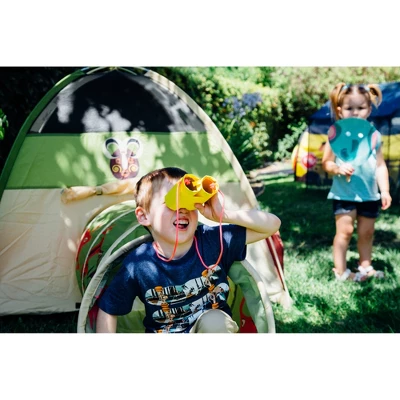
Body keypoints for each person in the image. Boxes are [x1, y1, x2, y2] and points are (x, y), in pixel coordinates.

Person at [96, 167, 281, 333]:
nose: (183, 209)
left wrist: (224, 215)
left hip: (210, 332)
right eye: (172, 202)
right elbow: (108, 309)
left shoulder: (212, 240)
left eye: (189, 202)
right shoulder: (139, 263)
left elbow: (272, 225)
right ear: (144, 216)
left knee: (215, 321)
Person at [322, 83, 392, 282]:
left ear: (369, 110)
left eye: (360, 108)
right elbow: (326, 163)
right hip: (344, 193)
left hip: (369, 194)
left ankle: (365, 266)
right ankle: (341, 271)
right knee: (345, 231)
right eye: (349, 108)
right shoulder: (335, 135)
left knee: (367, 232)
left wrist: (384, 191)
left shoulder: (374, 136)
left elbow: (380, 165)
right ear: (340, 111)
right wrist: (337, 168)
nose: (355, 112)